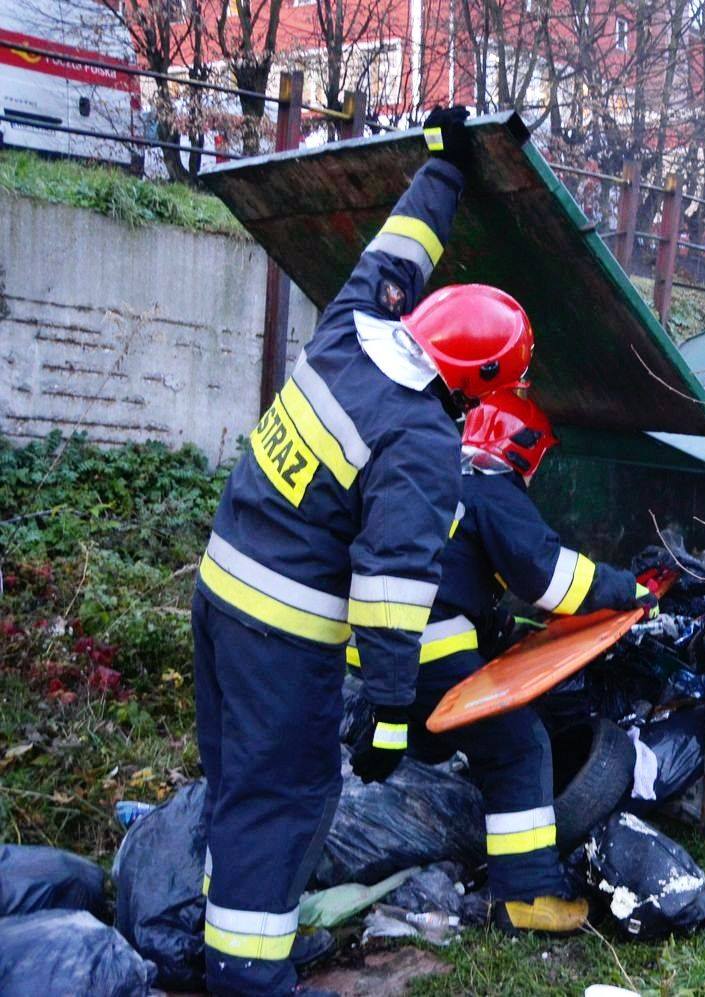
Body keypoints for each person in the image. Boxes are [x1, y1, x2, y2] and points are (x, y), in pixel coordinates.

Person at [192, 108, 536, 995]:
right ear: (480, 386)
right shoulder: (421, 441)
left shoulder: (353, 320)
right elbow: (392, 588)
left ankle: (221, 930)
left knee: (238, 782)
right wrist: (387, 712)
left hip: (220, 590)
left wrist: (444, 167)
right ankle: (247, 972)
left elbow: (400, 245)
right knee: (286, 795)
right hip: (280, 634)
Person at [346, 393, 657, 934]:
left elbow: (454, 573)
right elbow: (549, 577)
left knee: (438, 745)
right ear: (524, 450)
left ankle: (421, 837)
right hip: (428, 652)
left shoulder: (444, 481)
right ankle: (526, 895)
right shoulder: (493, 491)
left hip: (379, 657)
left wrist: (500, 630)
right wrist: (624, 588)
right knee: (518, 746)